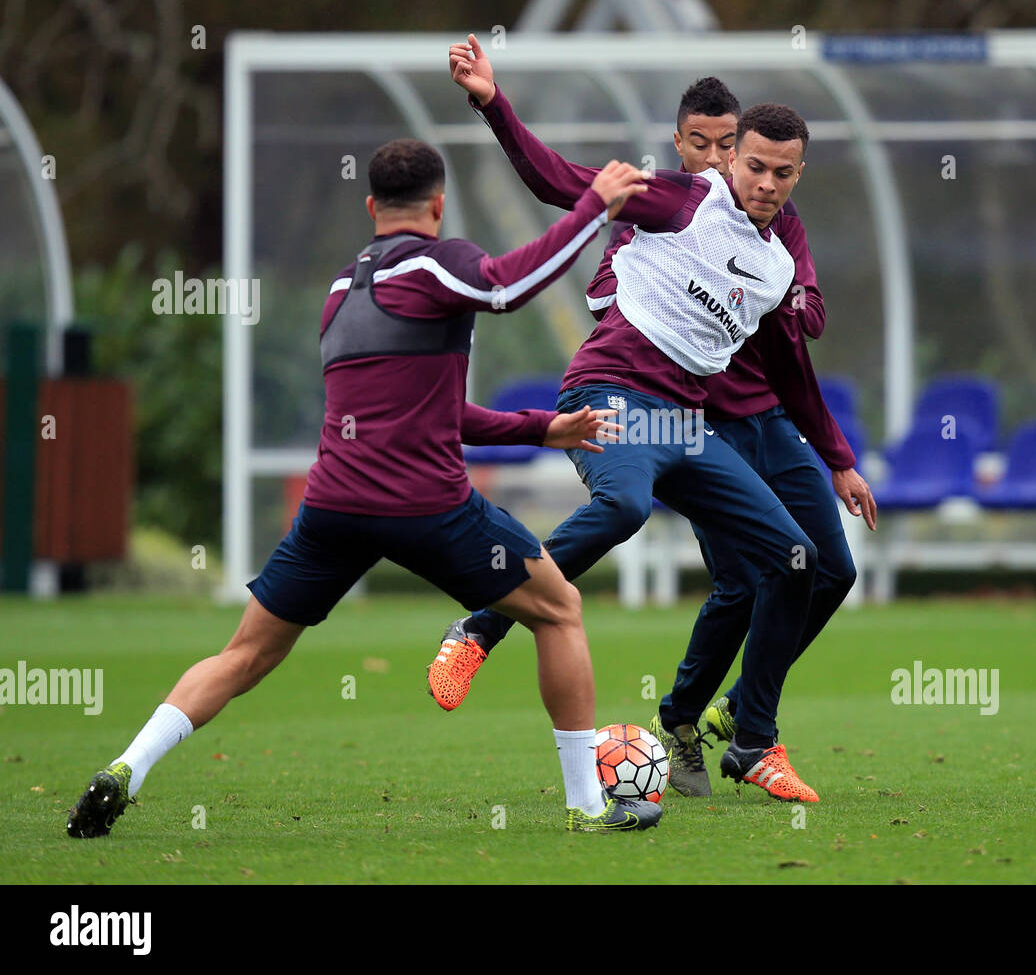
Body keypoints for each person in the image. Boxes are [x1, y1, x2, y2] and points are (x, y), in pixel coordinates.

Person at [66, 138, 662, 837]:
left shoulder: (342, 289)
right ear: (438, 205)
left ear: (372, 206)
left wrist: (541, 428)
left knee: (244, 654)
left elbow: (441, 409)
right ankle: (588, 808)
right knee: (558, 609)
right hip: (426, 507)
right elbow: (506, 285)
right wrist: (595, 207)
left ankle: (125, 769)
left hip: (332, 509)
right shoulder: (443, 263)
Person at [432, 36, 876, 803]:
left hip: (684, 423)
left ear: (797, 174)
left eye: (782, 171)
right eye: (753, 165)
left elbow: (792, 374)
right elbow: (555, 181)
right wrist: (491, 102)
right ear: (730, 162)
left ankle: (752, 741)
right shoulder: (680, 198)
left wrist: (838, 459)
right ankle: (481, 625)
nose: (765, 181)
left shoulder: (774, 267)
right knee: (627, 506)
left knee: (800, 562)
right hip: (608, 392)